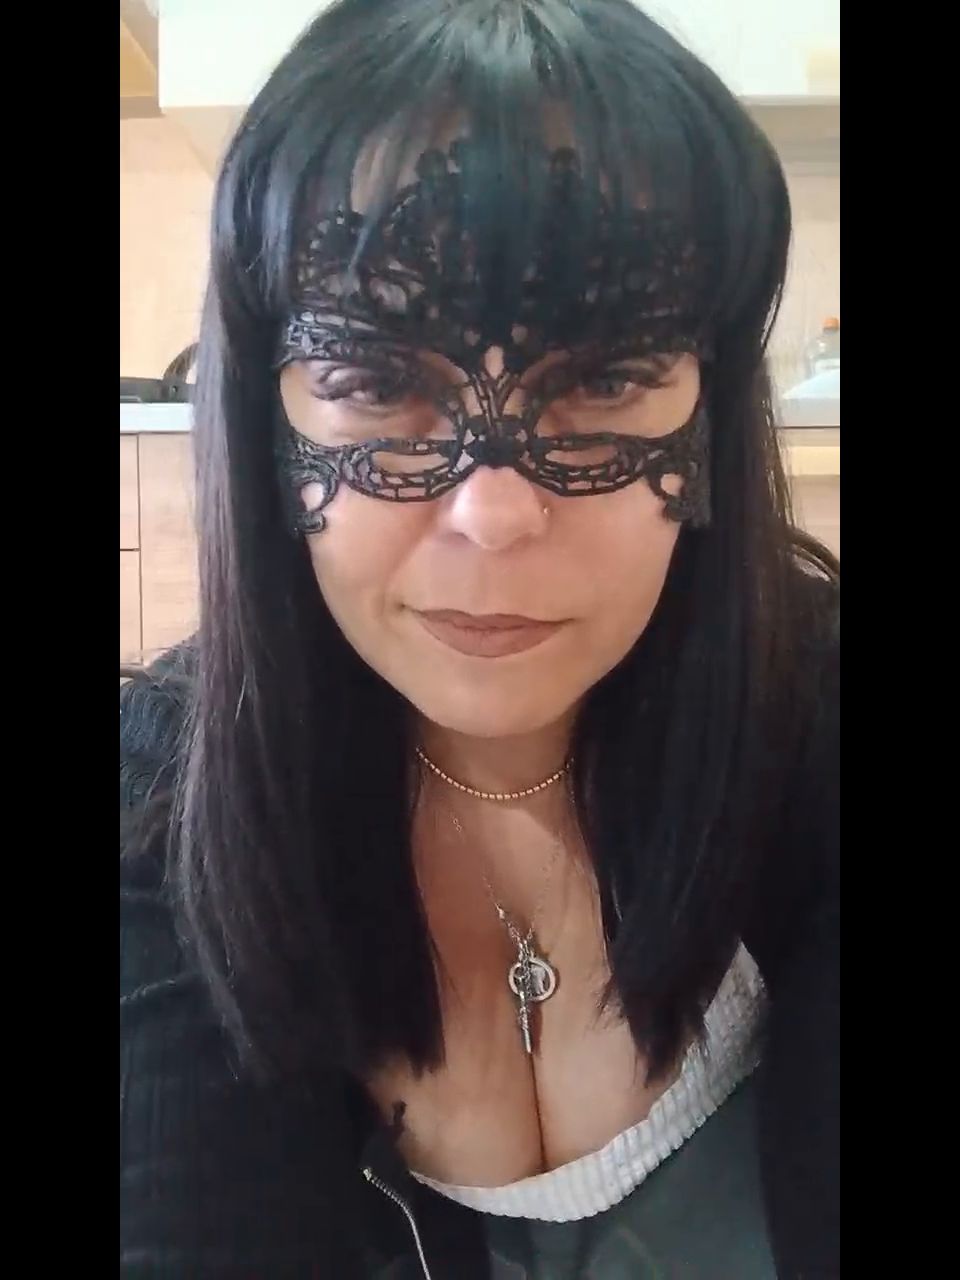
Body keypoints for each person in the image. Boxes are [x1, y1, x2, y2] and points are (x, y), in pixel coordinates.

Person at [119, 1, 840, 1275]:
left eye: (603, 380)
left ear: (714, 409)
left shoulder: (817, 720)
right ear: (265, 418)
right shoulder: (153, 818)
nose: (494, 515)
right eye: (376, 379)